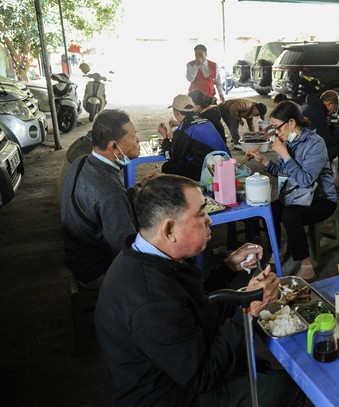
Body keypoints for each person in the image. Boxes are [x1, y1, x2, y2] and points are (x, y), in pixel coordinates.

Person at [95, 174, 306, 407]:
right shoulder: (150, 302)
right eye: (201, 213)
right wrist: (250, 308)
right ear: (169, 230)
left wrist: (227, 268)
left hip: (178, 373)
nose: (210, 221)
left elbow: (189, 304)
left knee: (258, 367)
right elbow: (204, 376)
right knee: (284, 388)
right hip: (171, 396)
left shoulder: (146, 256)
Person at [246, 101, 337, 281]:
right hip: (297, 196)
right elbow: (286, 174)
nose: (276, 133)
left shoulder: (315, 144)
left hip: (322, 199)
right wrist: (263, 160)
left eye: (277, 128)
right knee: (269, 210)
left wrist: (285, 154)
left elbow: (305, 180)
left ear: (292, 123)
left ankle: (307, 265)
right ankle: (276, 253)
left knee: (290, 214)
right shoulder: (290, 141)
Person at [60, 109, 140, 288]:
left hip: (76, 257)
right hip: (97, 271)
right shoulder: (110, 191)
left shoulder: (82, 161)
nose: (138, 141)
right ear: (114, 147)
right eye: (133, 136)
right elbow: (126, 249)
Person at [158, 94, 229, 181]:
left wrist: (165, 136)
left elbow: (172, 156)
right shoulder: (204, 119)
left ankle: (187, 190)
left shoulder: (183, 130)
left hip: (209, 169)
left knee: (168, 167)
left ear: (176, 112)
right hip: (224, 163)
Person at [302, 90, 339, 194]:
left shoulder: (311, 107)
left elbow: (321, 132)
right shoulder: (318, 113)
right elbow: (328, 142)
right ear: (329, 104)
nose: (334, 111)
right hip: (311, 153)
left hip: (305, 147)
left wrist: (334, 127)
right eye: (335, 108)